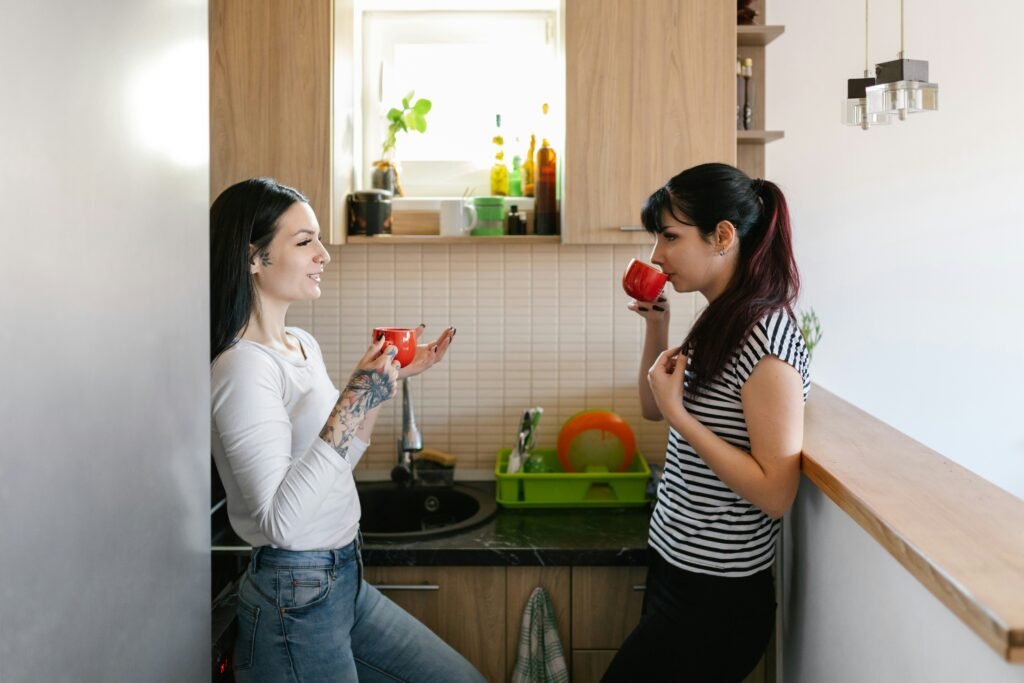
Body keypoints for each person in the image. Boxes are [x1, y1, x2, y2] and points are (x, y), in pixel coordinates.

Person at [209, 177, 483, 682]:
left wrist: (378, 387)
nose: (323, 255)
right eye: (304, 241)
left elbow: (338, 462)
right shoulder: (243, 367)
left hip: (342, 579)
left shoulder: (300, 344)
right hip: (294, 598)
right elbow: (281, 524)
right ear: (254, 258)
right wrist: (354, 397)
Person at [603, 163, 810, 682]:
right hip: (678, 566)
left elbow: (775, 491)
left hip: (719, 597)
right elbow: (655, 408)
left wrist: (679, 416)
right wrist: (659, 326)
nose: (656, 254)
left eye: (670, 236)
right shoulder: (718, 319)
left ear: (722, 236)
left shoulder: (766, 339)